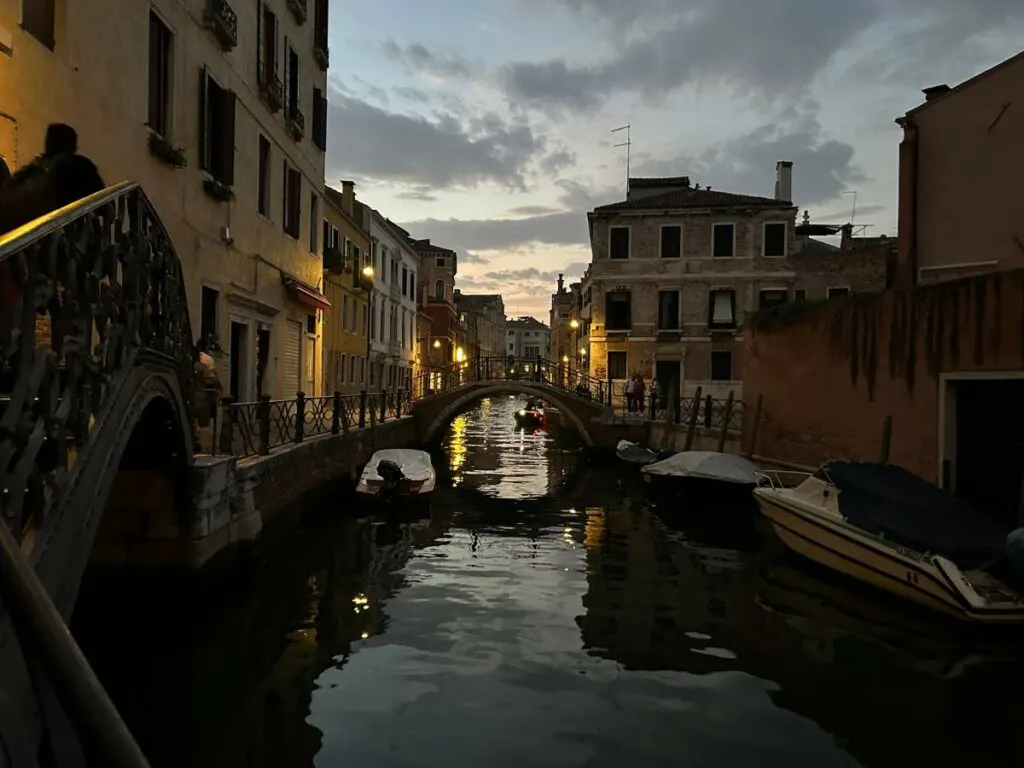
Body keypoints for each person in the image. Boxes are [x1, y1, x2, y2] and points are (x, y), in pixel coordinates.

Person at [0, 123, 104, 234]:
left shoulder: (27, 172)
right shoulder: (76, 166)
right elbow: (103, 207)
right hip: (49, 238)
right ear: (73, 147)